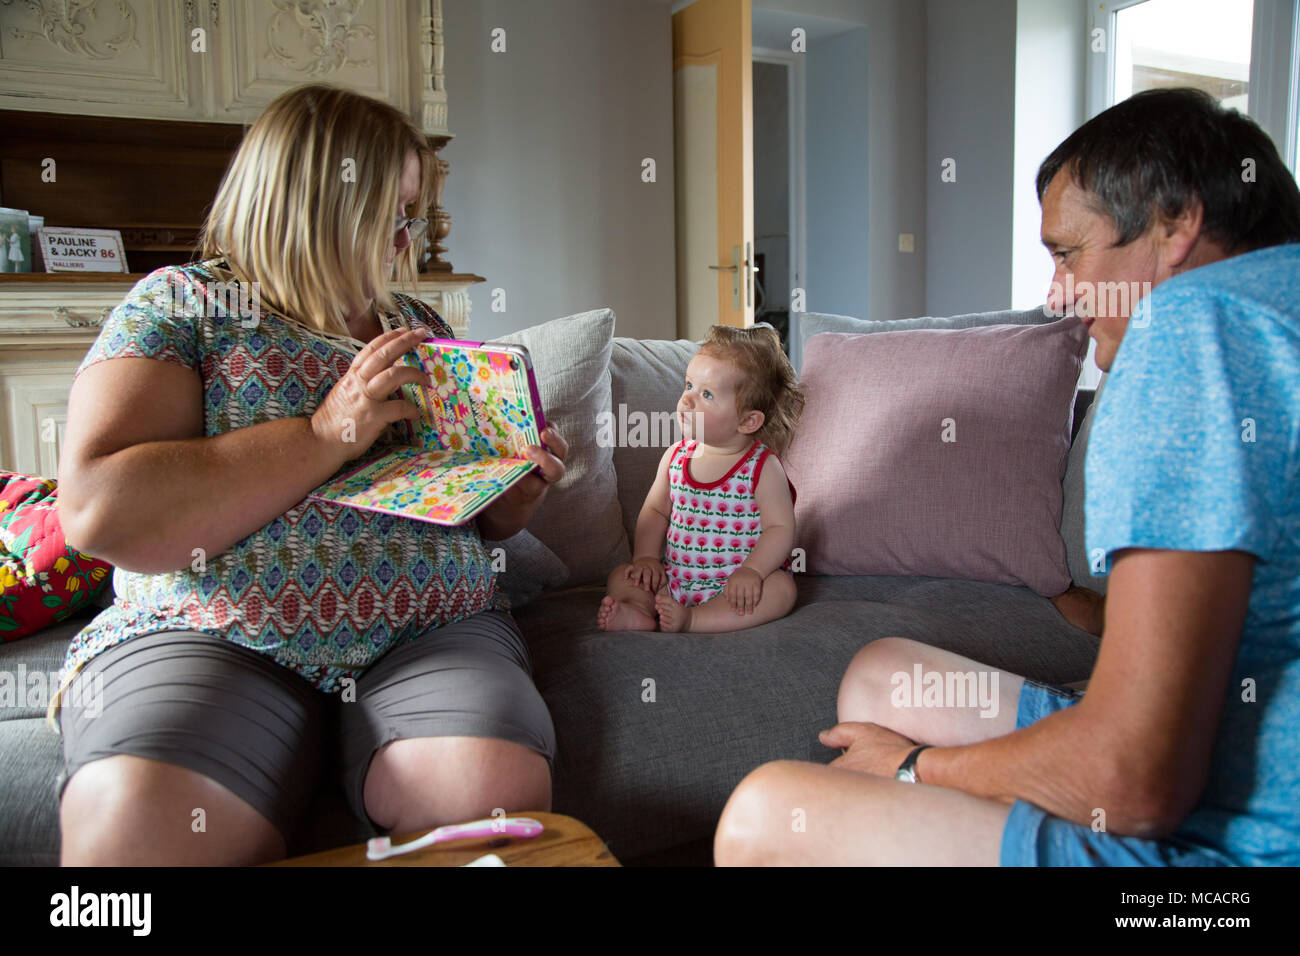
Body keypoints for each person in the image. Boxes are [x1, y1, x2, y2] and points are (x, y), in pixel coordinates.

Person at [714, 87, 1300, 866]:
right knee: (883, 675)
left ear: (1176, 221)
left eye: (1066, 253)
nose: (1056, 296)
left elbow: (1134, 783)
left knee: (763, 818)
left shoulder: (1188, 336)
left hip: (1229, 866)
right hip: (1213, 754)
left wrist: (918, 770)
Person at [51, 84, 567, 865]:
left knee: (487, 798)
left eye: (412, 218)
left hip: (428, 630)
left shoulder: (417, 327)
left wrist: (511, 494)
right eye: (392, 217)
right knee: (138, 826)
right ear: (315, 203)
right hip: (216, 634)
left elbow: (473, 515)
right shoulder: (183, 307)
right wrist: (327, 433)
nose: (406, 244)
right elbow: (101, 513)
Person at [597, 324, 804, 633]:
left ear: (748, 421)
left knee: (782, 590)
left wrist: (752, 571)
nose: (687, 400)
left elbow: (780, 528)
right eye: (689, 385)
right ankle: (639, 610)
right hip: (675, 579)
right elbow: (655, 511)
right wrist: (646, 558)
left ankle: (696, 619)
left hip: (737, 588)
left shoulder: (762, 467)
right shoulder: (675, 458)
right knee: (621, 575)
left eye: (706, 394)